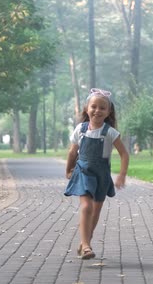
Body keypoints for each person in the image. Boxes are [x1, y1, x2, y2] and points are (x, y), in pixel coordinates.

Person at [64, 88, 129, 260]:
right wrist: (69, 169)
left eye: (102, 108)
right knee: (87, 207)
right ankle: (86, 246)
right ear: (87, 108)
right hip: (83, 172)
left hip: (101, 175)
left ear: (108, 112)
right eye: (94, 106)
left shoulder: (110, 132)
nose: (97, 110)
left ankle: (85, 242)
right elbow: (72, 153)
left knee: (96, 211)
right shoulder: (81, 129)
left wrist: (121, 175)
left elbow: (124, 154)